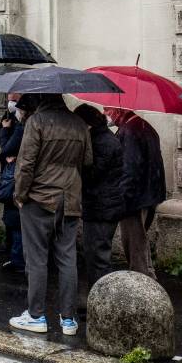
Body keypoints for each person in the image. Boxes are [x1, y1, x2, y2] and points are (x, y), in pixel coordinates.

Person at [10, 93, 92, 336]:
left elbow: (26, 164)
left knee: (36, 258)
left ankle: (36, 315)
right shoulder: (78, 123)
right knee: (67, 259)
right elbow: (87, 161)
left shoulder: (37, 122)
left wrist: (20, 195)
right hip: (70, 199)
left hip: (40, 198)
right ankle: (68, 319)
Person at [108, 108, 165, 278]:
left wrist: (121, 199)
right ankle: (147, 276)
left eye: (107, 110)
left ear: (119, 110)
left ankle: (142, 282)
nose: (106, 114)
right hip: (148, 194)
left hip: (135, 199)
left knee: (133, 243)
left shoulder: (130, 130)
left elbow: (129, 169)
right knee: (139, 241)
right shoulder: (144, 126)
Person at [75, 104, 126, 285]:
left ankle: (102, 299)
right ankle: (99, 297)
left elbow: (93, 174)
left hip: (101, 208)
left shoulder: (102, 142)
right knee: (96, 254)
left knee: (98, 257)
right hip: (103, 206)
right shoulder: (103, 138)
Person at [0, 94, 28, 273]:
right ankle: (11, 249)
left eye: (14, 99)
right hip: (9, 172)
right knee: (10, 215)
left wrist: (5, 131)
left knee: (15, 216)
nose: (11, 102)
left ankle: (17, 258)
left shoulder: (23, 124)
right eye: (9, 98)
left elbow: (6, 149)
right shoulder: (9, 116)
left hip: (15, 174)